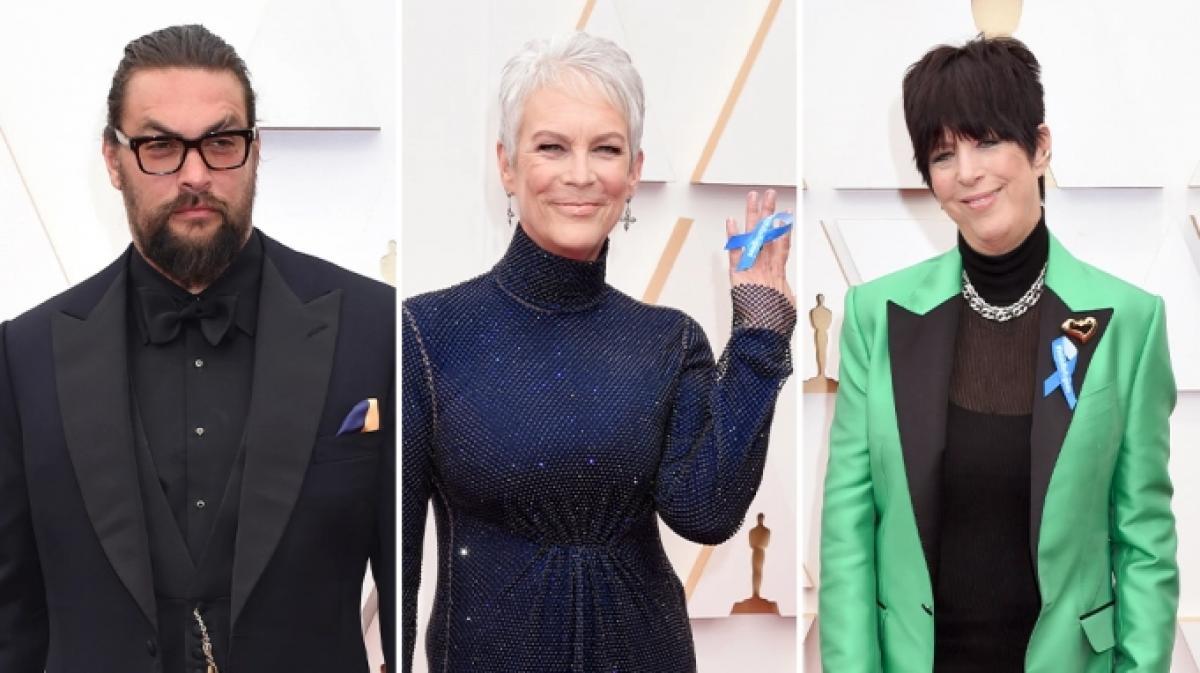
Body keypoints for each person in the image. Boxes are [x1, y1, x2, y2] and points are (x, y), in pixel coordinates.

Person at [0, 25, 393, 673]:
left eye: (221, 143)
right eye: (159, 146)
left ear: (255, 152)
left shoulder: (374, 330)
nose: (195, 175)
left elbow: (404, 587)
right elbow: (12, 617)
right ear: (113, 159)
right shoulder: (25, 356)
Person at [402, 31, 795, 673]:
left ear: (634, 172)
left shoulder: (669, 340)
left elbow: (706, 512)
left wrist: (760, 334)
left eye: (605, 149)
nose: (581, 175)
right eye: (551, 147)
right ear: (507, 164)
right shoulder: (427, 333)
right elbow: (399, 558)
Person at [819, 37, 1178, 672]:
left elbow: (1144, 540)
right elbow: (849, 531)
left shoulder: (1129, 322)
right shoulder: (876, 316)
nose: (967, 172)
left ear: (1039, 147)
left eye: (986, 141)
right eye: (943, 154)